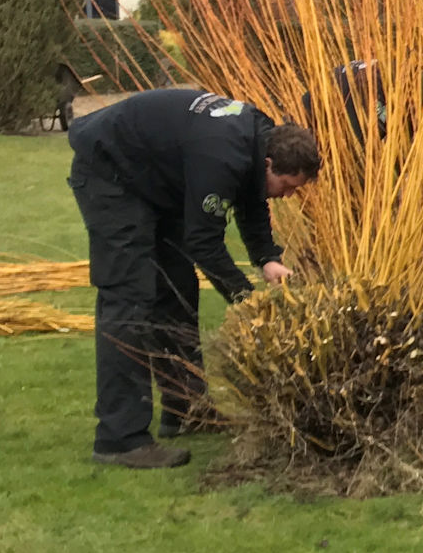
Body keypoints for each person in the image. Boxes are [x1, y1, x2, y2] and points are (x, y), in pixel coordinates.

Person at [66, 88, 323, 468]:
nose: (285, 197)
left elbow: (252, 197)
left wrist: (267, 258)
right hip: (112, 173)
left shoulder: (260, 135)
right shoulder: (221, 156)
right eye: (286, 187)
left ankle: (186, 409)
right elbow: (204, 243)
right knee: (130, 299)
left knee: (177, 290)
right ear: (270, 162)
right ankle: (120, 439)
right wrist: (246, 299)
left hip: (157, 181)